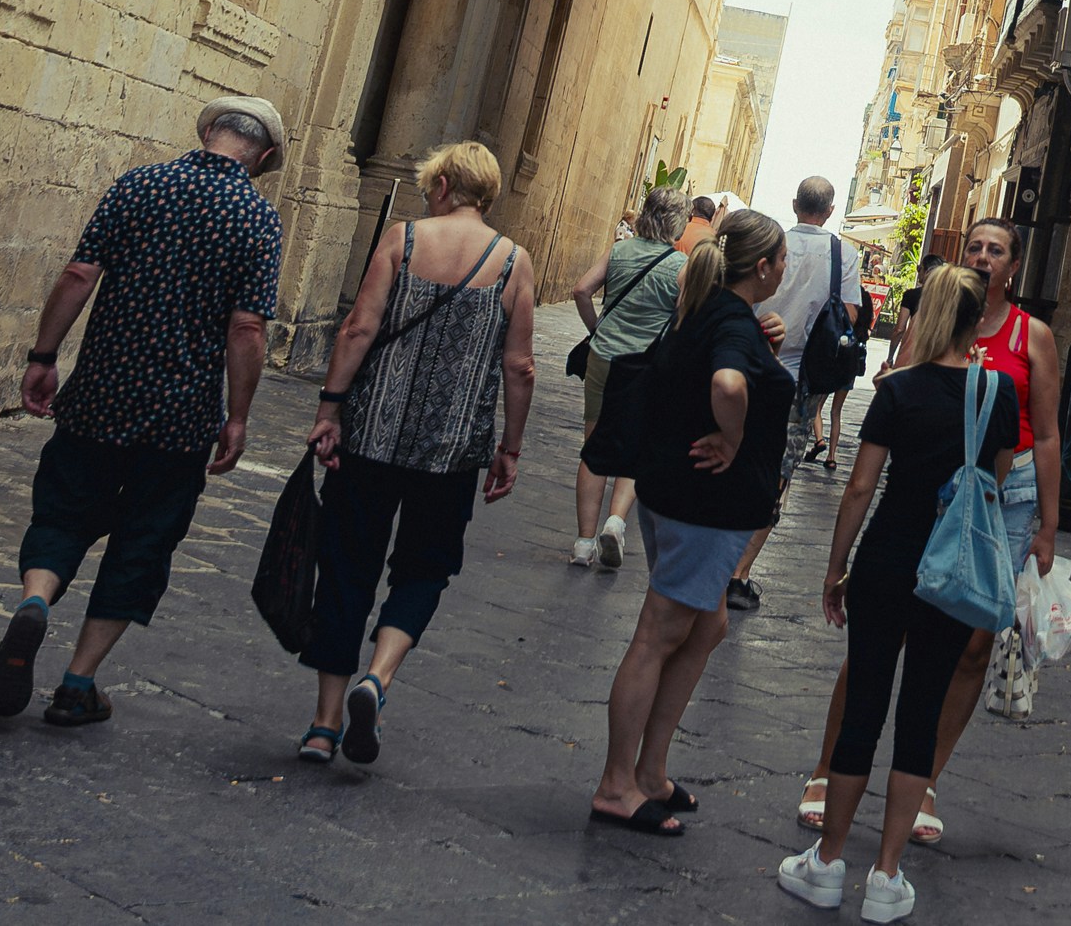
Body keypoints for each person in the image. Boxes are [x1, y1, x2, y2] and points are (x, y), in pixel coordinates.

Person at [0, 97, 286, 727]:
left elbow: (78, 274)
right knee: (143, 543)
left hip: (100, 392)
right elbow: (247, 327)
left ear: (207, 132)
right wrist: (238, 416)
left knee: (63, 512)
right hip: (179, 416)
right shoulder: (257, 217)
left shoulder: (139, 183)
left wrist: (44, 355)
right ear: (261, 158)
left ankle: (36, 602)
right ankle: (77, 683)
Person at [791, 215, 1060, 843]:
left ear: (1014, 266)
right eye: (976, 247)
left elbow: (1043, 433)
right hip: (928, 494)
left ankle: (924, 781)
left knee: (968, 646)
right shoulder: (932, 323)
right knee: (879, 646)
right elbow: (897, 392)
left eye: (998, 250)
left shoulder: (1032, 337)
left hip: (999, 495)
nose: (986, 257)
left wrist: (1049, 524)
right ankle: (828, 770)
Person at [292, 139, 541, 770]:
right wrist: (509, 447)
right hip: (452, 449)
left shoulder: (403, 241)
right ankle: (377, 677)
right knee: (424, 569)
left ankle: (322, 726)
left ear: (443, 186)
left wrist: (329, 409)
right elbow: (520, 365)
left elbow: (359, 328)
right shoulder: (514, 263)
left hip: (372, 433)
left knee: (346, 563)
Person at [782, 262, 1013, 922]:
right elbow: (992, 482)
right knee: (920, 715)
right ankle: (886, 876)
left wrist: (836, 565)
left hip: (888, 559)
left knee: (864, 709)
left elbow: (860, 487)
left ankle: (826, 865)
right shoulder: (998, 393)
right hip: (951, 571)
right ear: (977, 321)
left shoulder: (897, 390)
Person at [589, 206, 792, 834]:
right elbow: (728, 384)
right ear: (763, 266)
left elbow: (727, 363)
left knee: (706, 629)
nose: (785, 268)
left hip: (672, 491)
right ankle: (617, 784)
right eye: (782, 259)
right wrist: (731, 438)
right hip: (707, 501)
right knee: (658, 632)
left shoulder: (711, 310)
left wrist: (761, 345)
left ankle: (650, 771)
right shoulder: (729, 320)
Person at [733, 176, 859, 612]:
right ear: (830, 209)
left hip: (745, 366)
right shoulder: (844, 254)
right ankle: (740, 571)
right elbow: (849, 314)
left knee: (732, 455)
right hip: (798, 381)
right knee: (777, 473)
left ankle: (719, 551)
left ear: (794, 203)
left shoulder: (769, 240)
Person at [572, 185, 691, 569]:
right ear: (678, 223)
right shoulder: (680, 265)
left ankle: (582, 544)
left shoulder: (619, 250)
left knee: (594, 446)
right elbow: (686, 319)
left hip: (603, 358)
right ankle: (616, 520)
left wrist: (596, 332)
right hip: (644, 366)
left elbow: (581, 290)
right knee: (636, 446)